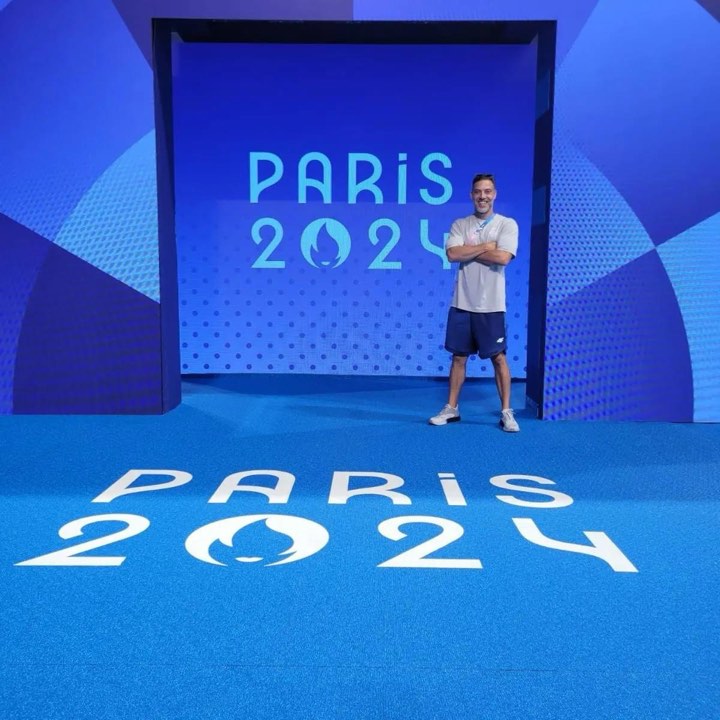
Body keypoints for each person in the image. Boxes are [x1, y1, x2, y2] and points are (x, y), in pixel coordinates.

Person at [429, 173, 520, 432]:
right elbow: (452, 254)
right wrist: (486, 247)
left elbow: (503, 258)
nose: (483, 196)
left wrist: (469, 251)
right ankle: (451, 408)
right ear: (471, 195)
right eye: (478, 192)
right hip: (462, 303)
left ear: (494, 194)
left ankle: (506, 412)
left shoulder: (506, 224)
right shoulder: (460, 224)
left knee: (499, 358)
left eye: (487, 191)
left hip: (491, 305)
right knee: (458, 357)